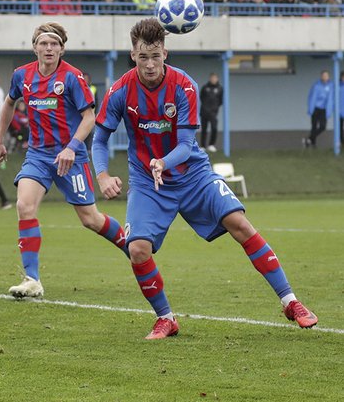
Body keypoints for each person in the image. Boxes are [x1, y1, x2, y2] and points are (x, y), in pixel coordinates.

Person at [92, 18, 317, 339]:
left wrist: (163, 161)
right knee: (137, 249)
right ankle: (166, 318)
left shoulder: (184, 87)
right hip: (148, 183)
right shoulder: (120, 90)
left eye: (155, 56)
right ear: (133, 55)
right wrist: (102, 175)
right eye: (143, 57)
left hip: (192, 174)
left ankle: (291, 301)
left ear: (165, 53)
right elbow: (99, 140)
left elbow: (185, 146)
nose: (150, 64)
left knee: (239, 223)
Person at [0, 22, 127, 299]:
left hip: (71, 157)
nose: (49, 48)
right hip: (38, 155)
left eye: (54, 44)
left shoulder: (72, 78)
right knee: (24, 205)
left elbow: (90, 117)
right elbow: (8, 103)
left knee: (90, 219)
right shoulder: (22, 75)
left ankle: (131, 245)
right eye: (43, 43)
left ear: (62, 49)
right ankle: (32, 280)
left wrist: (71, 147)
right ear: (35, 48)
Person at [304, 70, 332, 148]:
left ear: (328, 77)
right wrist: (310, 108)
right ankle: (313, 144)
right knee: (314, 126)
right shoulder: (316, 85)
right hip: (315, 108)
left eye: (327, 75)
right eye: (324, 75)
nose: (325, 77)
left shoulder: (331, 85)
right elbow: (311, 97)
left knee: (323, 126)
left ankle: (309, 139)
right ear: (321, 76)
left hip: (324, 109)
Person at [199, 73, 223, 152]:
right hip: (204, 112)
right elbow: (201, 97)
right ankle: (203, 146)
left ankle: (211, 145)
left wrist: (214, 108)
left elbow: (220, 100)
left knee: (214, 128)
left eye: (215, 78)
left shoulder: (220, 88)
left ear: (217, 79)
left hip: (213, 113)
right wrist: (206, 107)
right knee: (204, 129)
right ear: (210, 78)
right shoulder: (205, 87)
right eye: (212, 78)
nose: (213, 79)